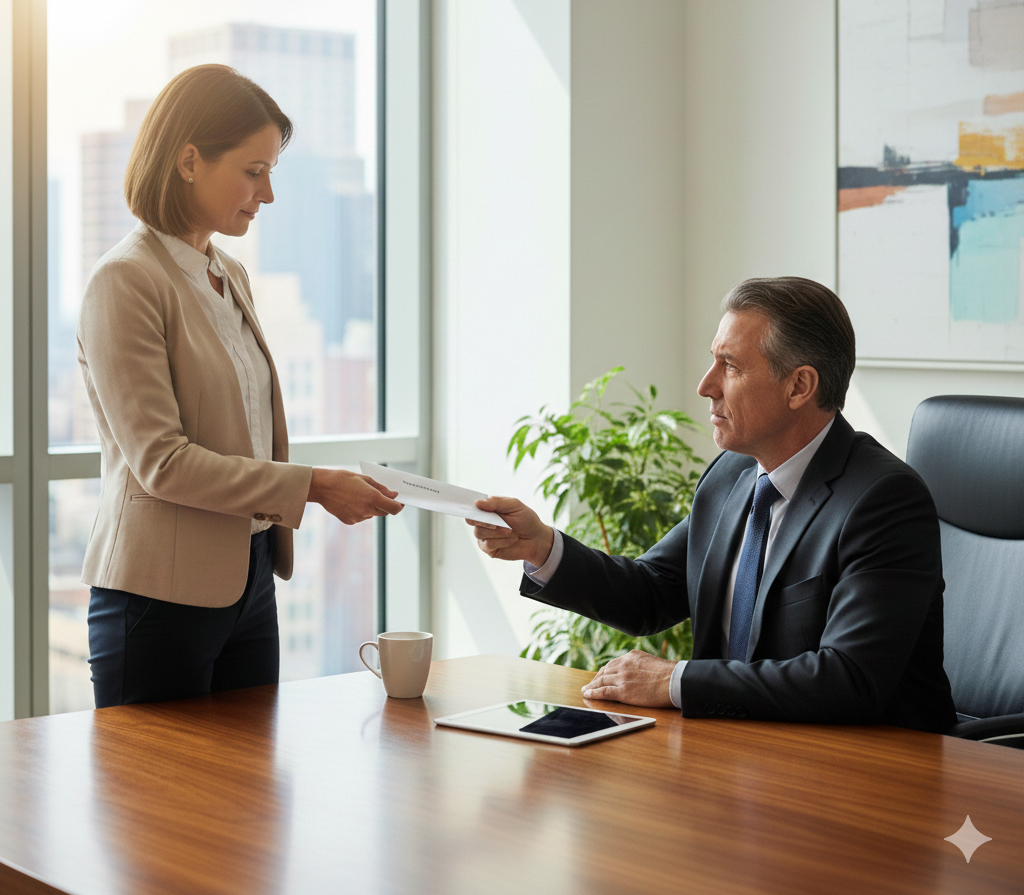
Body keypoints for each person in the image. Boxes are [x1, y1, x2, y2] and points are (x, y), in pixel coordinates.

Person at [470, 277, 957, 733]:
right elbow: (651, 593)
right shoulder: (732, 474)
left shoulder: (883, 500)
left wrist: (674, 681)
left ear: (799, 387)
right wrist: (542, 547)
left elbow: (849, 679)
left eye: (731, 366)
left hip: (865, 772)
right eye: (713, 361)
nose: (706, 385)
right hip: (736, 754)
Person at [78, 64, 404, 708]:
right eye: (253, 171)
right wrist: (311, 485)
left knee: (251, 803)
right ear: (189, 160)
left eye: (271, 171)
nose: (268, 194)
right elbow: (161, 463)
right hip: (156, 598)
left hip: (249, 580)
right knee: (156, 809)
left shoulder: (227, 274)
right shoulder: (126, 281)